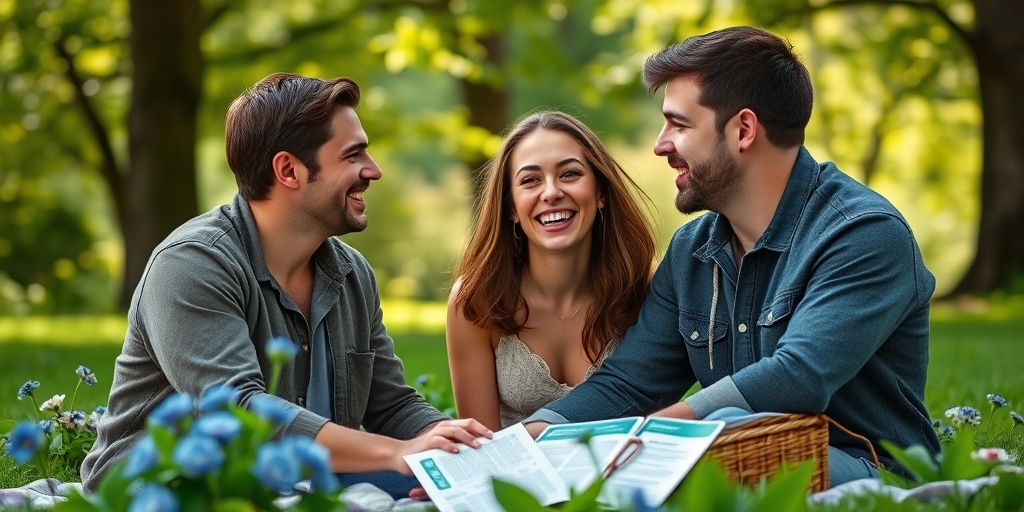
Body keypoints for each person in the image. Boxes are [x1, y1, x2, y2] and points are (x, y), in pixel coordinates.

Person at [524, 26, 940, 487]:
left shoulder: (862, 234)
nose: (661, 144)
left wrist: (652, 439)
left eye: (679, 125)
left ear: (743, 130)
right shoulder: (691, 252)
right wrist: (530, 437)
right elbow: (630, 384)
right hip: (730, 453)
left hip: (865, 468)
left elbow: (798, 376)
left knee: (669, 478)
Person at [80, 73, 491, 497]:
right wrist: (395, 455)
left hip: (300, 484)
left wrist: (453, 448)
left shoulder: (352, 274)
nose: (373, 170)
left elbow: (392, 405)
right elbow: (240, 411)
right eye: (353, 156)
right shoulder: (191, 265)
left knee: (467, 491)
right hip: (170, 489)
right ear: (289, 170)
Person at [446, 111, 657, 431]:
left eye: (569, 174)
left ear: (601, 192)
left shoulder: (645, 287)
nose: (551, 192)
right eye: (530, 180)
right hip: (518, 479)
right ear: (512, 208)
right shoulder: (477, 300)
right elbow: (483, 449)